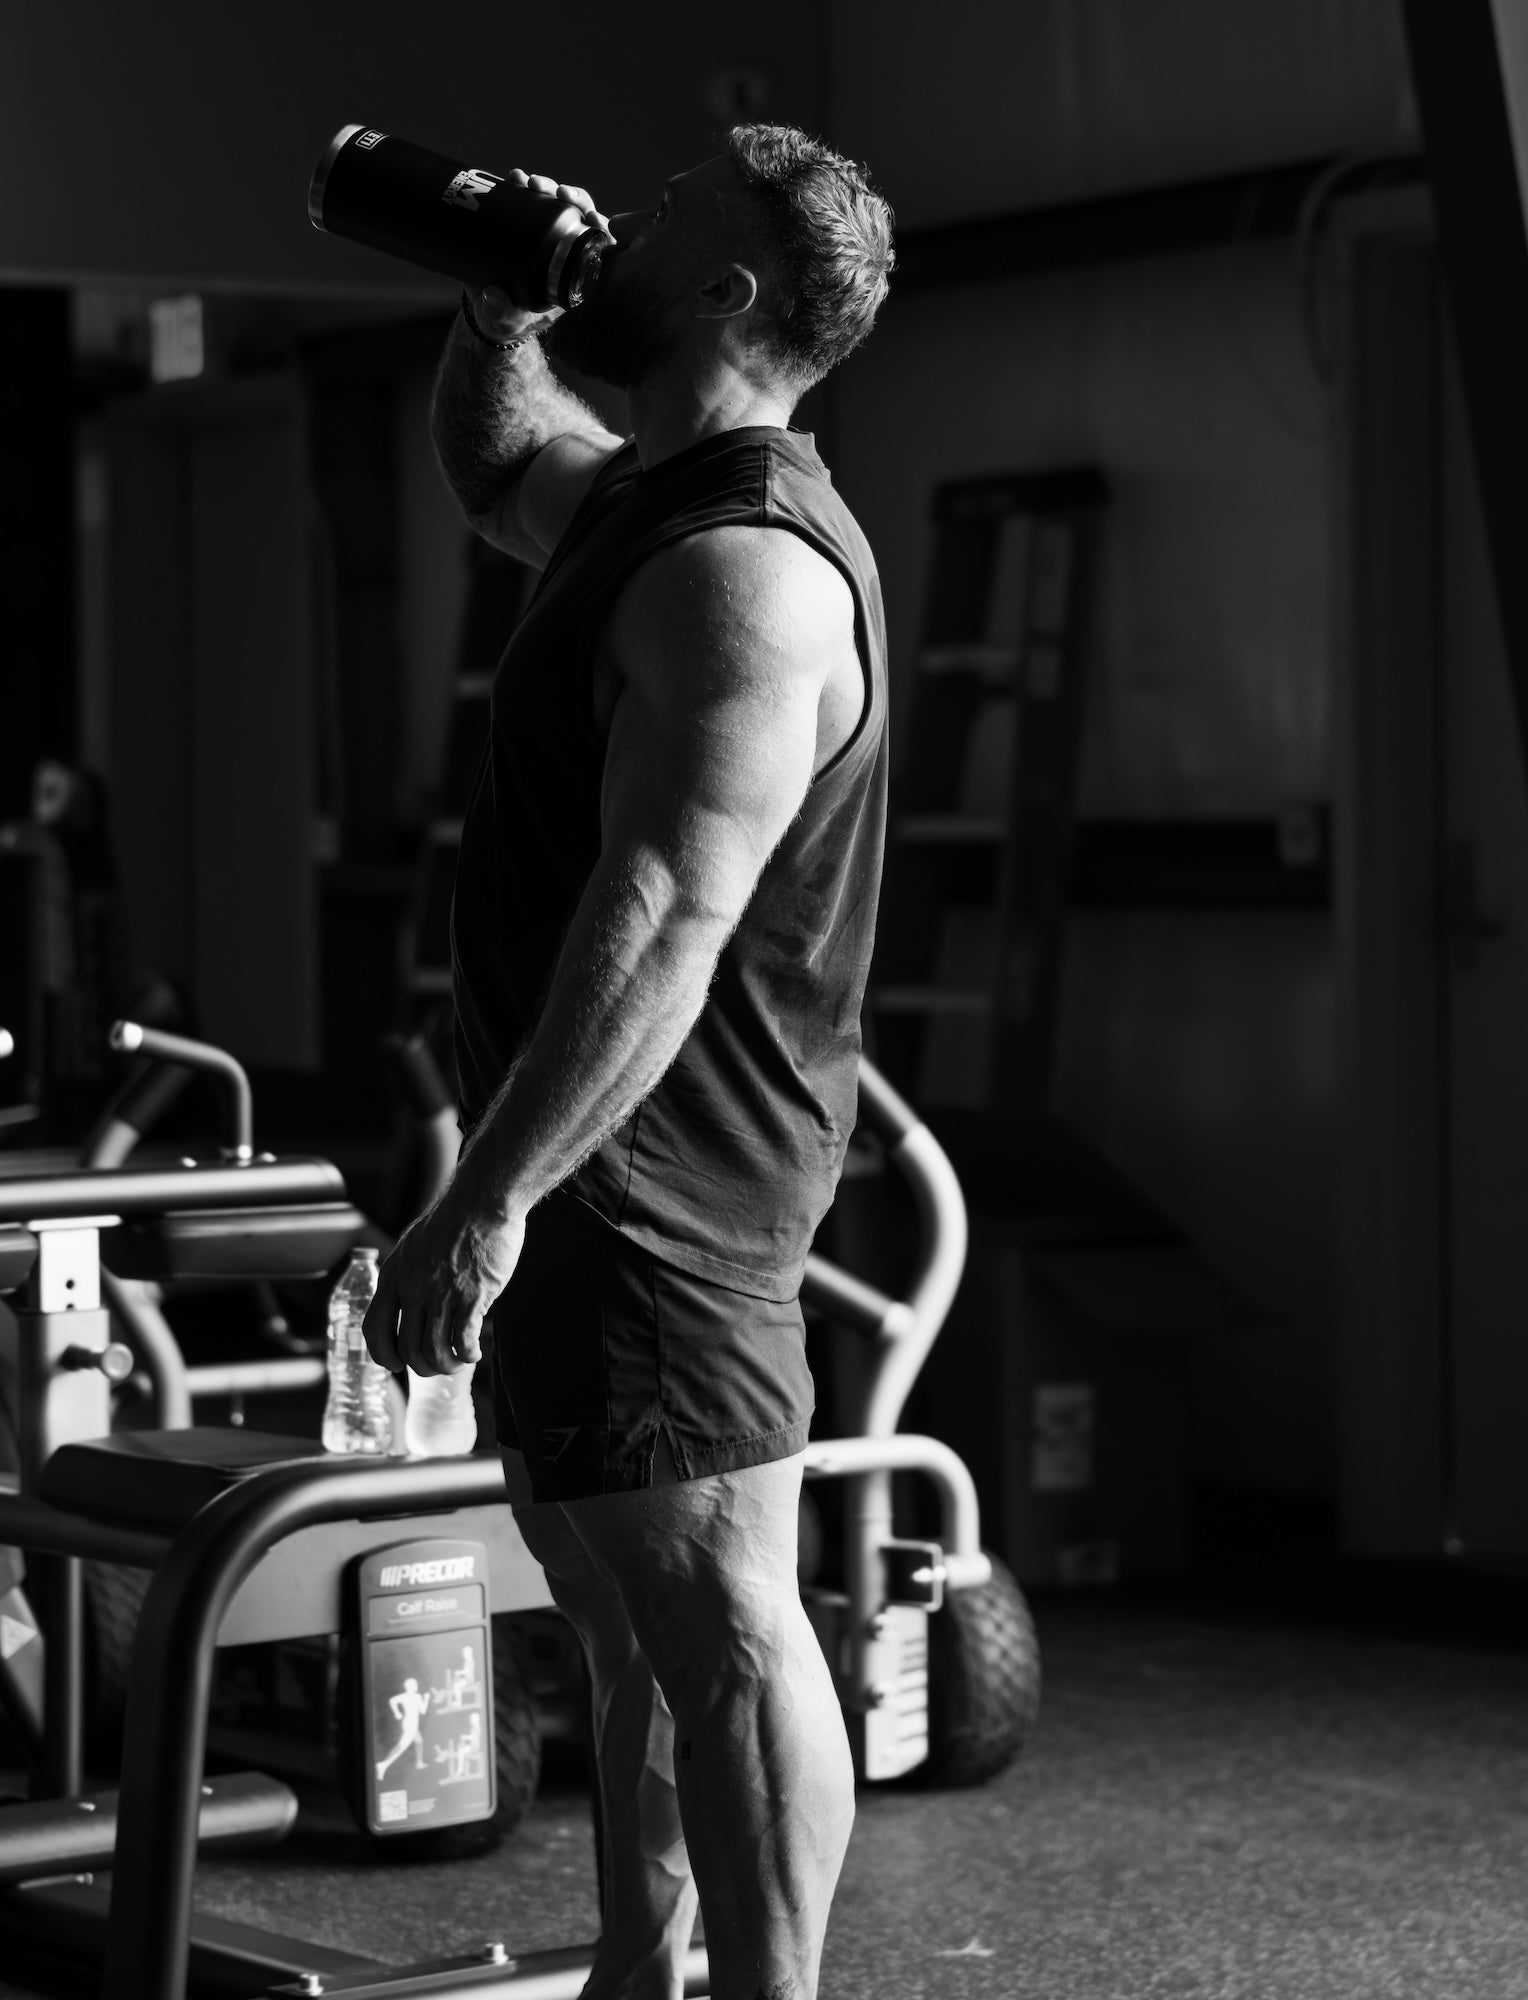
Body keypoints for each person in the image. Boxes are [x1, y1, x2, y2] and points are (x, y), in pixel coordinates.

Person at [363, 124, 894, 2000]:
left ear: (732, 289)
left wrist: (488, 1196)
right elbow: (496, 459)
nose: (620, 221)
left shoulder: (748, 567)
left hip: (661, 1175)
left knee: (722, 1620)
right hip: (606, 1159)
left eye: (667, 217)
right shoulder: (640, 501)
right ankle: (639, 1969)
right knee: (622, 1607)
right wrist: (496, 307)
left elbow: (671, 908)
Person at [376, 1676, 430, 1782]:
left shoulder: (412, 1696)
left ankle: (419, 1763)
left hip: (411, 1724)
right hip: (410, 1725)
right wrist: (427, 1699)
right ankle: (383, 1765)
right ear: (409, 1687)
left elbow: (392, 1701)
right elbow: (422, 1711)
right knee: (401, 1747)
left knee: (419, 1741)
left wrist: (397, 1713)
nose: (417, 1686)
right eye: (414, 1684)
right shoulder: (412, 1697)